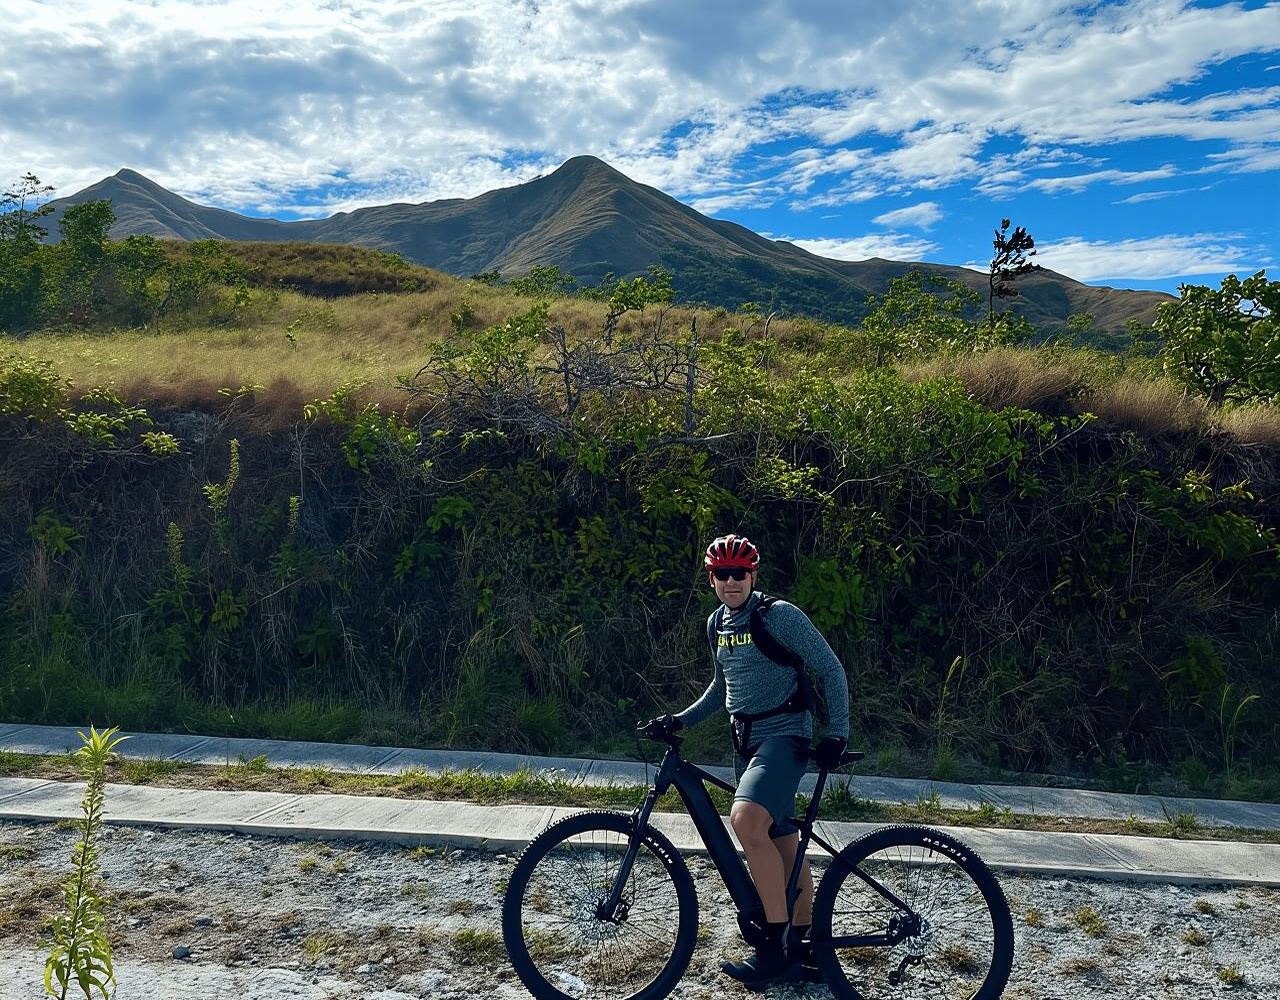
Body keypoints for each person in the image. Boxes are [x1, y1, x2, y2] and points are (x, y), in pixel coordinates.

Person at [642, 532, 850, 989]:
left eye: (739, 573)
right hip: (746, 744)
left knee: (746, 821)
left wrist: (838, 732)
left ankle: (773, 951)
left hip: (786, 736)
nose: (731, 581)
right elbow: (722, 689)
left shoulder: (779, 616)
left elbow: (831, 668)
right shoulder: (717, 622)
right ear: (712, 579)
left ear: (753, 575)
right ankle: (806, 949)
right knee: (780, 844)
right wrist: (679, 720)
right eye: (722, 574)